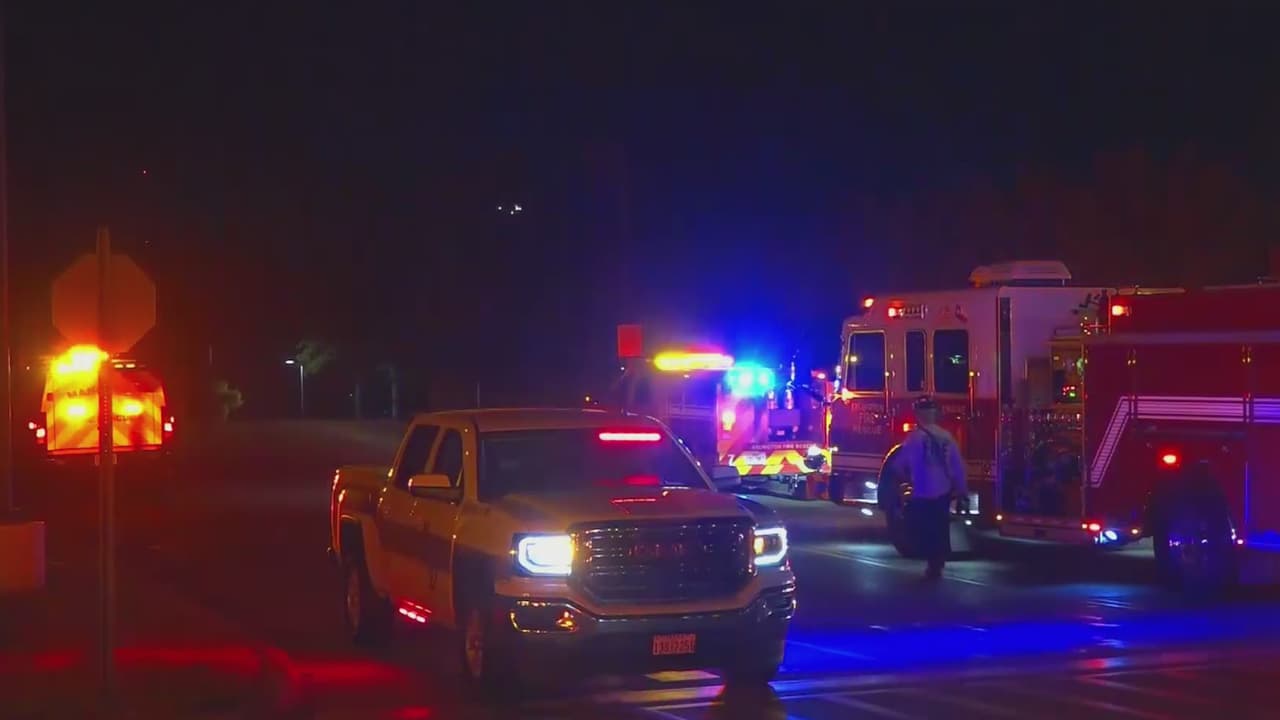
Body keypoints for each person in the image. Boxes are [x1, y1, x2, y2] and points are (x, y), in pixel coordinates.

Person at [895, 396, 968, 580]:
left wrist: (903, 482)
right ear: (935, 414)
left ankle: (931, 561)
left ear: (919, 415)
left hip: (922, 490)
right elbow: (957, 466)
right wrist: (961, 490)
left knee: (925, 527)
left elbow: (900, 465)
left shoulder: (914, 438)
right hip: (943, 490)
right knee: (940, 526)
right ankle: (939, 559)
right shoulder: (947, 437)